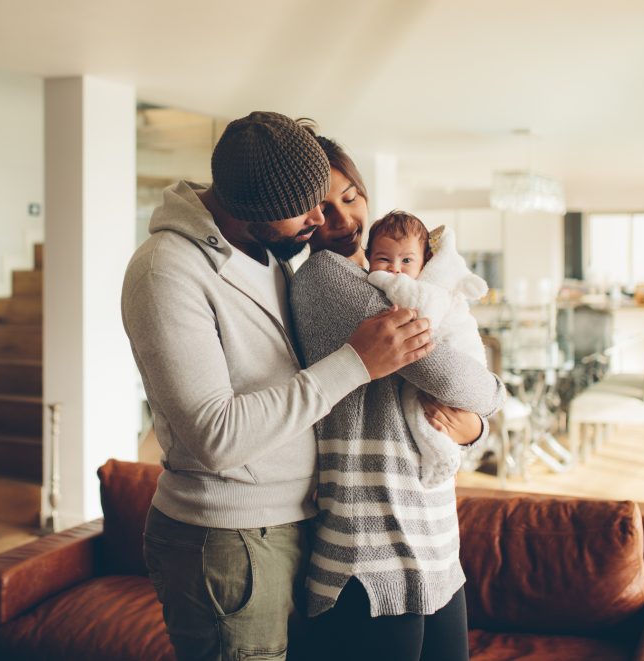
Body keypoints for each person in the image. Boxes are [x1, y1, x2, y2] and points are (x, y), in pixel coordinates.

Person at [121, 111, 436, 661]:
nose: (323, 217)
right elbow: (217, 437)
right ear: (252, 210)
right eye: (307, 206)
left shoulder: (268, 254)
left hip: (297, 524)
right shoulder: (166, 270)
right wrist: (356, 362)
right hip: (227, 539)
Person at [290, 132, 506, 661]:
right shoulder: (327, 282)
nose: (341, 216)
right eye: (321, 203)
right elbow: (463, 384)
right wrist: (491, 401)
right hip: (368, 553)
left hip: (431, 539)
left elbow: (457, 400)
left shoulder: (378, 278)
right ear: (298, 213)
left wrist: (474, 427)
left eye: (350, 196)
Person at [365, 211, 491, 487]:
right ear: (368, 258)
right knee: (426, 410)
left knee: (421, 405)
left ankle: (442, 454)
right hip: (454, 370)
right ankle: (442, 453)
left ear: (423, 264)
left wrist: (380, 278)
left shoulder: (426, 291)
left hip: (461, 356)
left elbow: (420, 318)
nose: (395, 269)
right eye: (384, 259)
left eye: (406, 260)